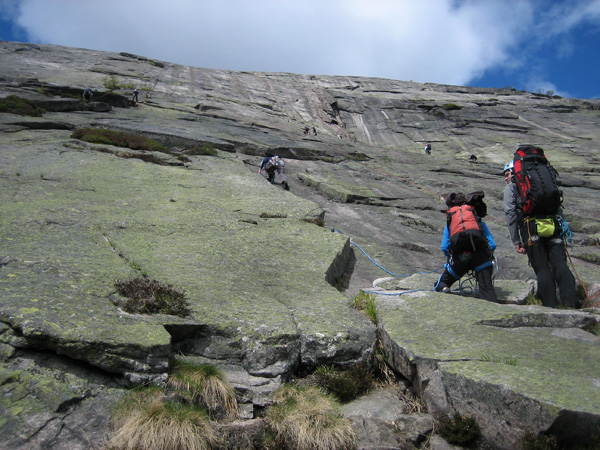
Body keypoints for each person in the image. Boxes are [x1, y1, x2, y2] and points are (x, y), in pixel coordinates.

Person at [503, 159, 578, 308]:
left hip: (530, 227)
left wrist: (516, 240)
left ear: (515, 172)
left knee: (542, 267)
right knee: (560, 263)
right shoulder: (543, 183)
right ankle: (571, 302)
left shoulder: (512, 187)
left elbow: (510, 212)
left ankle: (550, 304)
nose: (506, 178)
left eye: (507, 174)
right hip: (553, 224)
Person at [435, 192, 498, 302]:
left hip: (460, 260)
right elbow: (492, 245)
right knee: (487, 290)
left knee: (441, 284)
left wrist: (451, 256)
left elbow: (444, 247)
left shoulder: (452, 222)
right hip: (481, 258)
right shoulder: (476, 220)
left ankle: (445, 289)